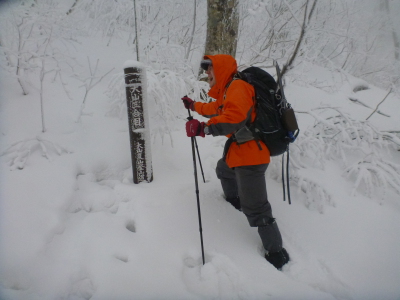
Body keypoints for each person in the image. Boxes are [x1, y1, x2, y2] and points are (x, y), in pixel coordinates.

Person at [181, 54, 289, 270]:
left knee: (256, 207)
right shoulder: (231, 88)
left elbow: (234, 118)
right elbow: (217, 109)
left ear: (219, 68)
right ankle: (233, 200)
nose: (207, 74)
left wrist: (204, 129)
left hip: (250, 155)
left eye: (209, 69)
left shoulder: (238, 87)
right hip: (239, 150)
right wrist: (194, 106)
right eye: (205, 70)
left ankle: (277, 252)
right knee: (224, 170)